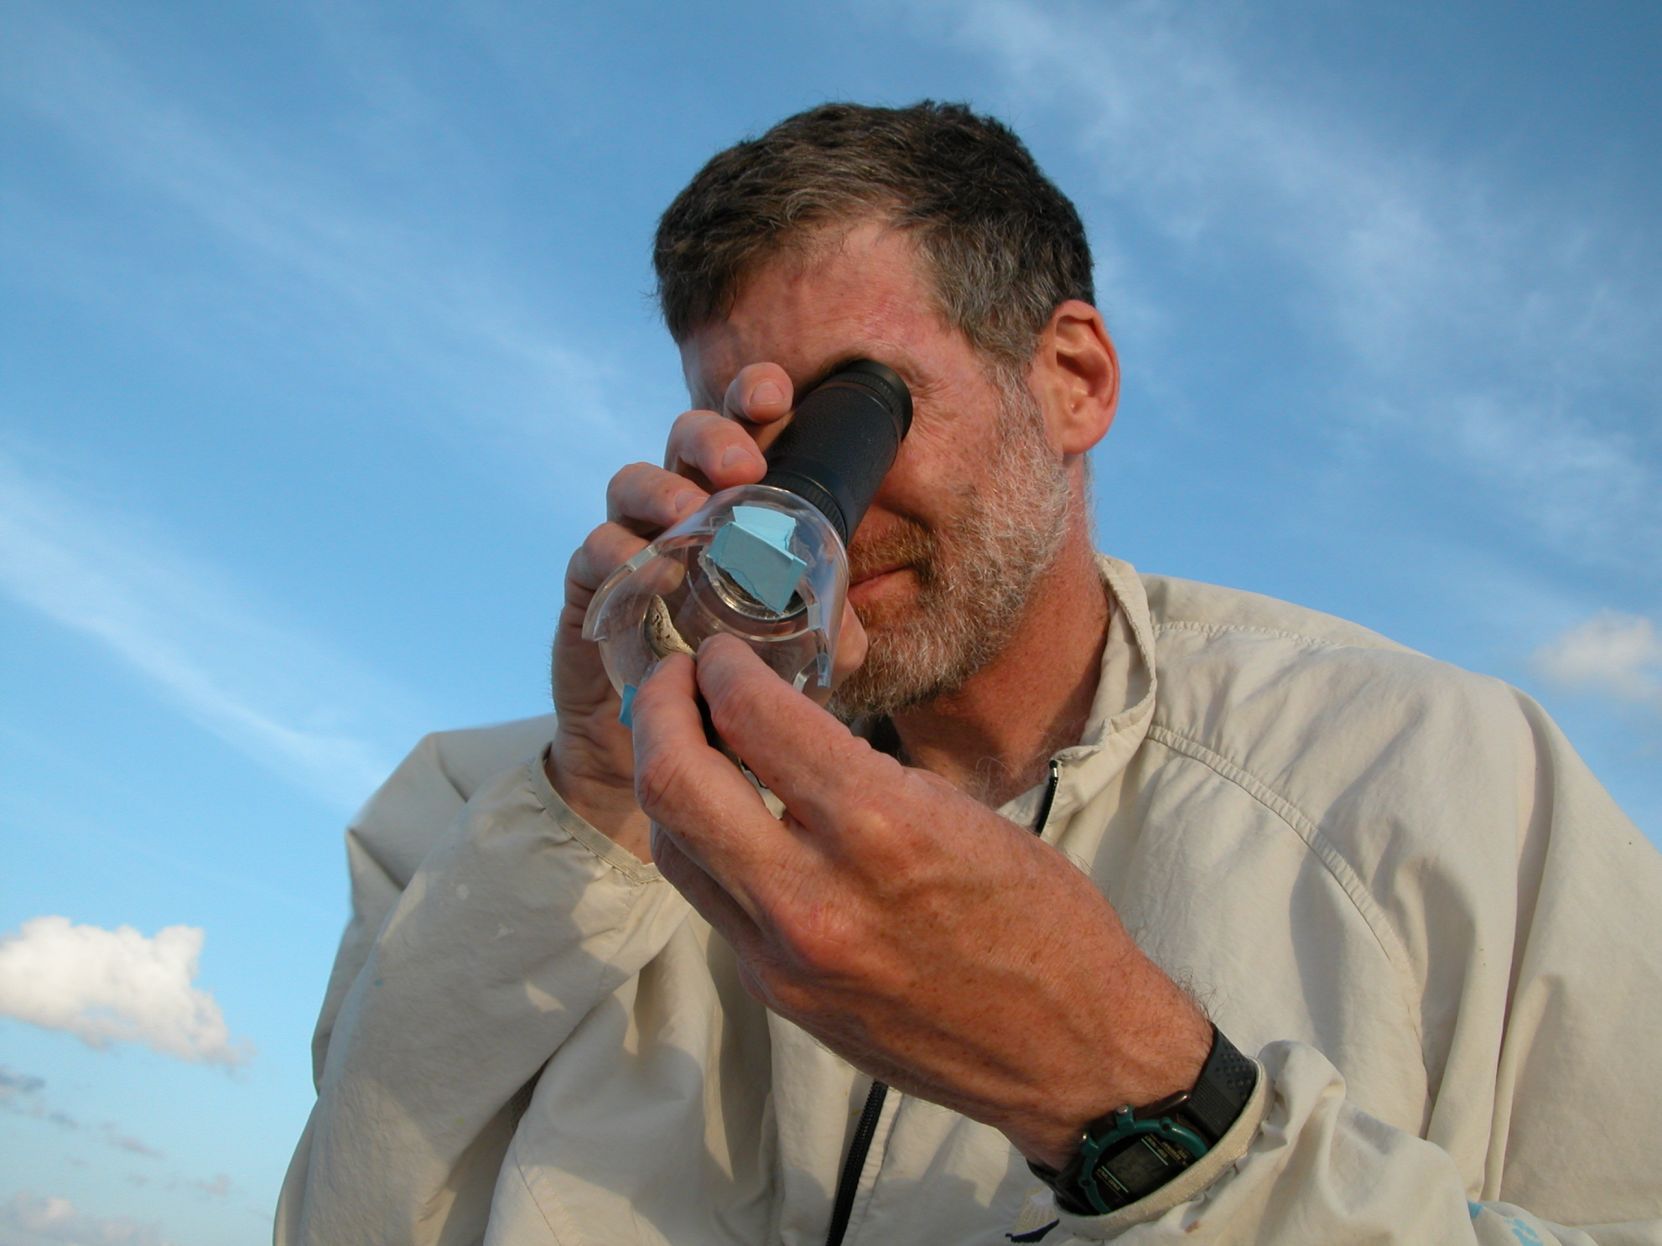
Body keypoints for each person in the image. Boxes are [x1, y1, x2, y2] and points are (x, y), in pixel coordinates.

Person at [276, 102, 1662, 1245]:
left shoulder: (1447, 784)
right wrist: (591, 807)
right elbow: (349, 1212)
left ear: (1070, 379)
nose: (814, 502)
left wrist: (1129, 1093)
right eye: (745, 427)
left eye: (856, 409)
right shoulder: (485, 802)